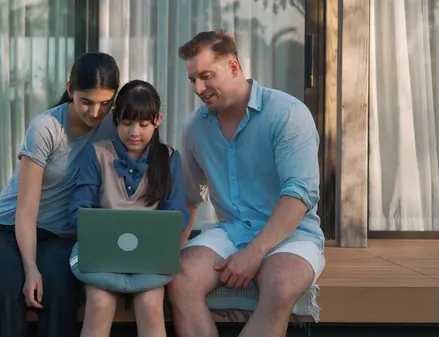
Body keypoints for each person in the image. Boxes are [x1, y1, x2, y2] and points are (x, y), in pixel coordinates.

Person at [168, 30, 326, 337]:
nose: (198, 88)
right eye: (192, 80)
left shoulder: (287, 113)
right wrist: (171, 249)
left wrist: (255, 253)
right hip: (231, 231)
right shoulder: (194, 128)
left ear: (234, 67)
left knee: (280, 286)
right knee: (180, 278)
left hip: (292, 235)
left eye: (206, 76)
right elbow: (189, 197)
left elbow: (299, 195)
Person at [0, 52, 120, 337]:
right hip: (7, 230)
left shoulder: (113, 126)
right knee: (3, 287)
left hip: (60, 238)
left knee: (61, 285)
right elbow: (25, 211)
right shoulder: (46, 128)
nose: (95, 113)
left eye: (105, 103)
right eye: (86, 102)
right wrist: (30, 269)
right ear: (69, 90)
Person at [68, 79, 189, 337]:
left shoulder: (168, 158)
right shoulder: (97, 154)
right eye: (126, 122)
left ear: (158, 120)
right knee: (99, 303)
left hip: (149, 257)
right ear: (115, 119)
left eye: (144, 124)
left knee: (150, 304)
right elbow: (79, 209)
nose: (135, 132)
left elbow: (177, 213)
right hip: (102, 254)